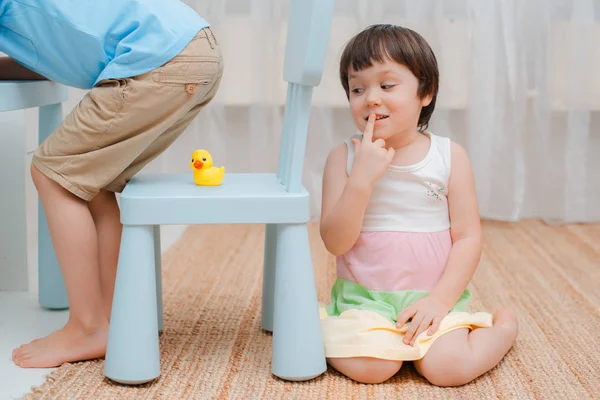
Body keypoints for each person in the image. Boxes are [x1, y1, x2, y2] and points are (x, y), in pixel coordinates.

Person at [1, 0, 223, 368]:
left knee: (54, 173)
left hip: (157, 59)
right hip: (193, 48)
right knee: (93, 180)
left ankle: (87, 327)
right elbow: (47, 51)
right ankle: (112, 320)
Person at [318, 24, 518, 386]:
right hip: (365, 301)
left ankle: (502, 331)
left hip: (434, 296)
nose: (370, 98)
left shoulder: (448, 156)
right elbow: (335, 242)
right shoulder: (342, 159)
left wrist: (440, 301)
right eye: (357, 88)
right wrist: (361, 180)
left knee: (448, 369)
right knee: (372, 369)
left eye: (387, 85)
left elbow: (468, 238)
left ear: (426, 92)